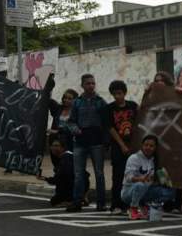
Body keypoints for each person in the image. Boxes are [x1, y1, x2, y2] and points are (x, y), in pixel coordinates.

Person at [145, 71, 182, 213]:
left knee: (176, 173)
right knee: (161, 173)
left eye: (161, 80)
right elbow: (142, 110)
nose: (158, 83)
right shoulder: (151, 96)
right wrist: (146, 93)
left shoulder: (176, 94)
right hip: (158, 142)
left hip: (174, 141)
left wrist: (181, 94)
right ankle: (165, 201)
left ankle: (177, 203)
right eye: (156, 80)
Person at [70, 73, 108, 212]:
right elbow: (71, 121)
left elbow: (106, 122)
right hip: (80, 142)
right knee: (79, 174)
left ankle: (101, 203)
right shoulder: (77, 102)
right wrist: (76, 130)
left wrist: (105, 141)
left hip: (96, 141)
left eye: (93, 83)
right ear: (82, 85)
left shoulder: (101, 102)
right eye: (88, 83)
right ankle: (77, 202)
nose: (91, 86)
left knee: (99, 173)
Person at [121, 135, 176, 220]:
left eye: (151, 146)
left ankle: (147, 206)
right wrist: (140, 179)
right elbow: (128, 177)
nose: (148, 148)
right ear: (142, 146)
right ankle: (133, 209)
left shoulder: (153, 160)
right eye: (146, 145)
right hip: (129, 192)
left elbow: (151, 180)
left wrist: (164, 180)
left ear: (155, 148)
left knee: (170, 191)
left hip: (145, 190)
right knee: (140, 185)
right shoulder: (134, 158)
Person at [107, 80, 138, 217]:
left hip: (133, 145)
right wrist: (122, 145)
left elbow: (139, 123)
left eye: (119, 93)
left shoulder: (132, 106)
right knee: (118, 176)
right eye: (114, 94)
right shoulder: (109, 108)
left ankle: (128, 204)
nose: (117, 96)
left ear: (124, 93)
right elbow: (111, 129)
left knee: (131, 175)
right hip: (118, 146)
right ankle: (116, 204)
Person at [46, 88, 78, 177]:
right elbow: (48, 100)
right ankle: (58, 181)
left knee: (67, 164)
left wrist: (57, 131)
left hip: (69, 142)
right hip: (55, 141)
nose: (66, 100)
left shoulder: (77, 112)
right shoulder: (58, 109)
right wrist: (49, 86)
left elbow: (74, 128)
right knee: (56, 164)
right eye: (65, 98)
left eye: (70, 98)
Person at [45, 138, 75, 209]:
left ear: (62, 148)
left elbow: (60, 178)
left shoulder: (67, 157)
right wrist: (45, 178)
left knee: (54, 201)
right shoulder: (62, 157)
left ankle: (72, 199)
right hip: (70, 186)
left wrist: (47, 179)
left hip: (72, 187)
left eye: (56, 146)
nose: (53, 148)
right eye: (52, 146)